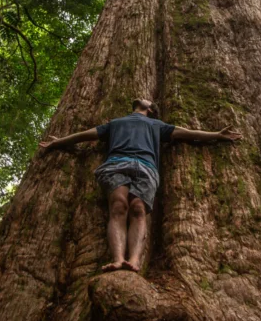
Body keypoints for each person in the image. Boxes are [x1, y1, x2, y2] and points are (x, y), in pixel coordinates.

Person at [39, 98, 241, 272]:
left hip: (146, 167)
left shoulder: (156, 125)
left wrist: (216, 135)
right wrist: (59, 142)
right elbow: (85, 135)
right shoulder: (115, 123)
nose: (142, 97)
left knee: (138, 209)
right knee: (118, 206)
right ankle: (118, 259)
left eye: (147, 99)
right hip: (116, 164)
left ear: (151, 109)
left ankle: (134, 259)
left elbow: (187, 132)